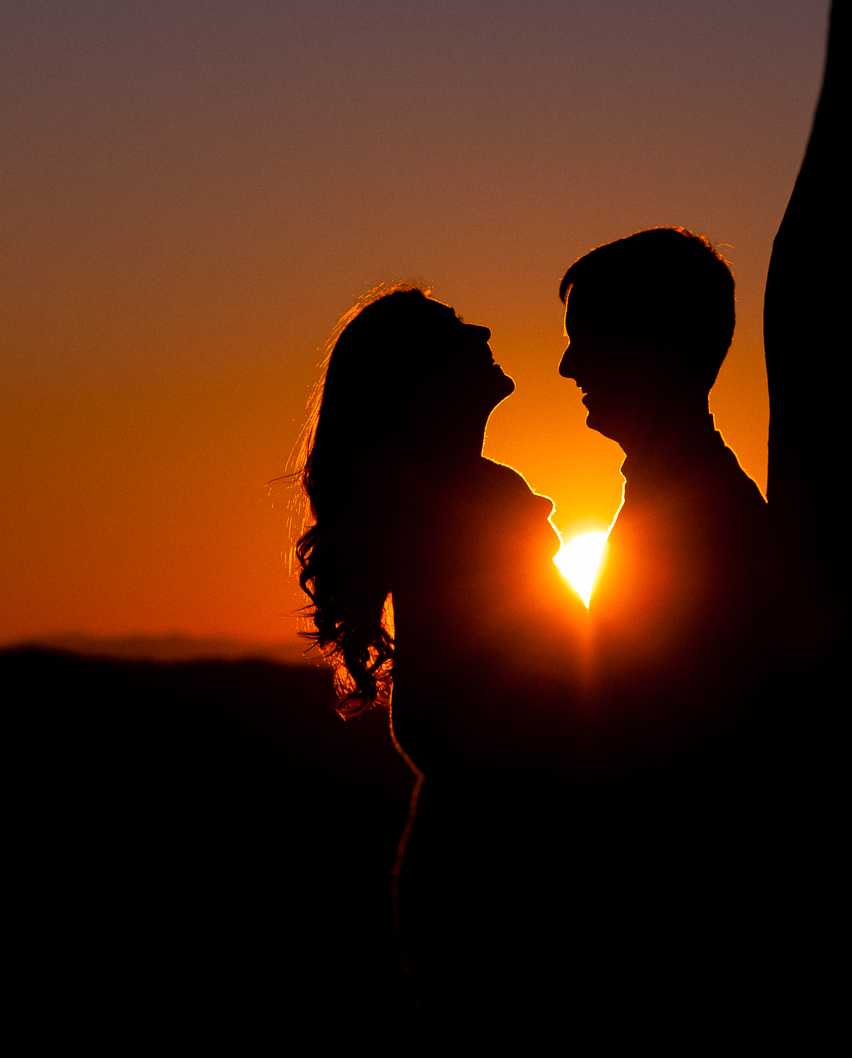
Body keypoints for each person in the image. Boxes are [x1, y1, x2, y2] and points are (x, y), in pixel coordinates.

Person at [292, 284, 584, 1037]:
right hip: (502, 890)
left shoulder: (468, 506)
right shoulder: (459, 520)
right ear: (418, 381)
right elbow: (477, 718)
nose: (483, 323)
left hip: (478, 873)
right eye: (454, 328)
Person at [555, 227, 787, 767]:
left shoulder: (701, 526)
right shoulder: (687, 501)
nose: (568, 367)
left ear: (648, 344)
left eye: (585, 339)